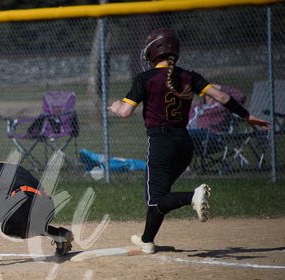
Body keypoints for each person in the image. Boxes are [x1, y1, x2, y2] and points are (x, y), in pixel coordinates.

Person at [107, 28, 270, 254]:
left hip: (161, 144)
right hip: (185, 144)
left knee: (155, 200)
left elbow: (125, 112)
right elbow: (222, 97)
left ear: (152, 52)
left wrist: (116, 108)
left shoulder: (145, 78)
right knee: (159, 198)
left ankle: (192, 197)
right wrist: (247, 116)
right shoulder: (189, 76)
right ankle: (146, 241)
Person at [187, 84, 247, 158]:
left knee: (183, 134)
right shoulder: (196, 107)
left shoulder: (222, 106)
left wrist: (221, 88)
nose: (210, 96)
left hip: (210, 135)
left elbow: (241, 96)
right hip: (191, 133)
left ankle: (186, 167)